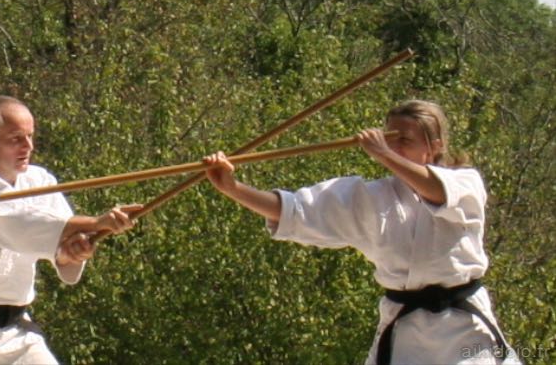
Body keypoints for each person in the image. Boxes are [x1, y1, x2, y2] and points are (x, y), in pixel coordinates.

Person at [203, 100, 521, 364]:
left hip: (464, 328)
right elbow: (295, 210)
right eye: (390, 138)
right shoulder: (370, 198)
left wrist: (384, 153)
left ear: (434, 146)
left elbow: (436, 191)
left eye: (405, 140)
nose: (395, 147)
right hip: (404, 329)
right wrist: (233, 188)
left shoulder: (465, 183)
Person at [0, 95, 142, 364]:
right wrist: (97, 223)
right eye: (16, 139)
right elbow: (18, 225)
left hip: (16, 332)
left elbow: (63, 242)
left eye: (30, 136)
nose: (28, 146)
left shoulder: (39, 181)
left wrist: (73, 251)